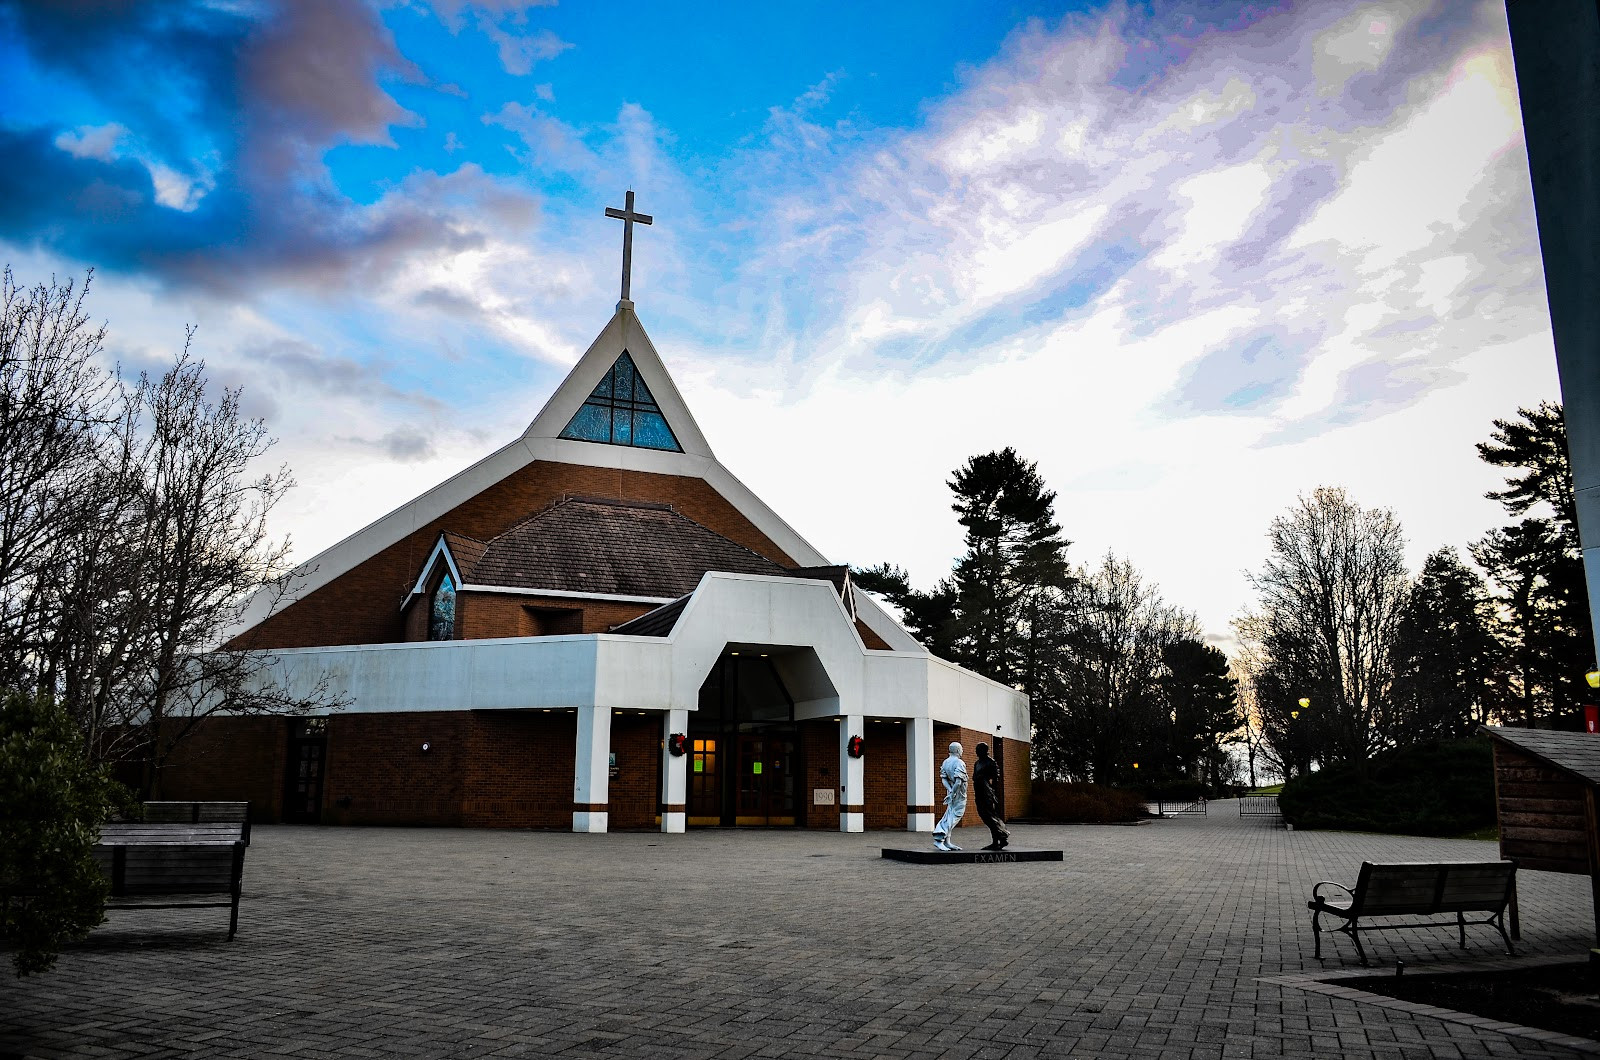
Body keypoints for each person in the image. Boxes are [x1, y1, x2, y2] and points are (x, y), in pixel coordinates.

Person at [973, 742, 1010, 851]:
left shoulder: (990, 762)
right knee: (984, 816)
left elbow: (996, 779)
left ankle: (1001, 838)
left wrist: (993, 793)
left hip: (987, 793)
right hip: (978, 792)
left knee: (991, 816)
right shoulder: (977, 763)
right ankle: (998, 839)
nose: (976, 752)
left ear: (984, 750)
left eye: (978, 749)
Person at [933, 742, 968, 851]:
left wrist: (949, 791)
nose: (962, 751)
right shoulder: (959, 762)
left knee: (949, 814)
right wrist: (953, 793)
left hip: (952, 792)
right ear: (958, 750)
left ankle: (947, 842)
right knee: (955, 815)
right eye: (961, 749)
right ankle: (939, 837)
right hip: (958, 793)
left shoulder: (946, 762)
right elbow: (958, 781)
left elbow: (944, 779)